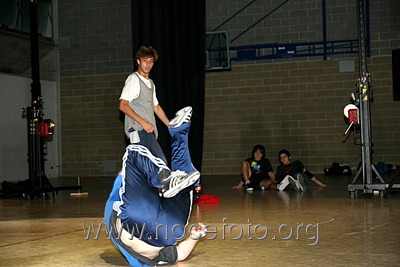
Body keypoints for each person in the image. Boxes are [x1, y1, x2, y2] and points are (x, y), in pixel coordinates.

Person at [104, 109, 206, 266]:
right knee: (133, 153)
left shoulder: (157, 256)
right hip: (138, 223)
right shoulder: (111, 216)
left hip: (168, 230)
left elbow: (181, 253)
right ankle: (177, 137)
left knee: (186, 185)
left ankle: (167, 171)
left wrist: (193, 237)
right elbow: (181, 254)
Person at [119, 46, 184, 164]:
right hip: (139, 130)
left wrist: (171, 126)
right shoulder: (134, 79)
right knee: (160, 163)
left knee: (149, 167)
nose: (148, 64)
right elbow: (123, 105)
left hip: (149, 132)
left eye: (151, 61)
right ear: (138, 61)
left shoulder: (151, 83)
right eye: (145, 61)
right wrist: (143, 122)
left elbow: (156, 107)